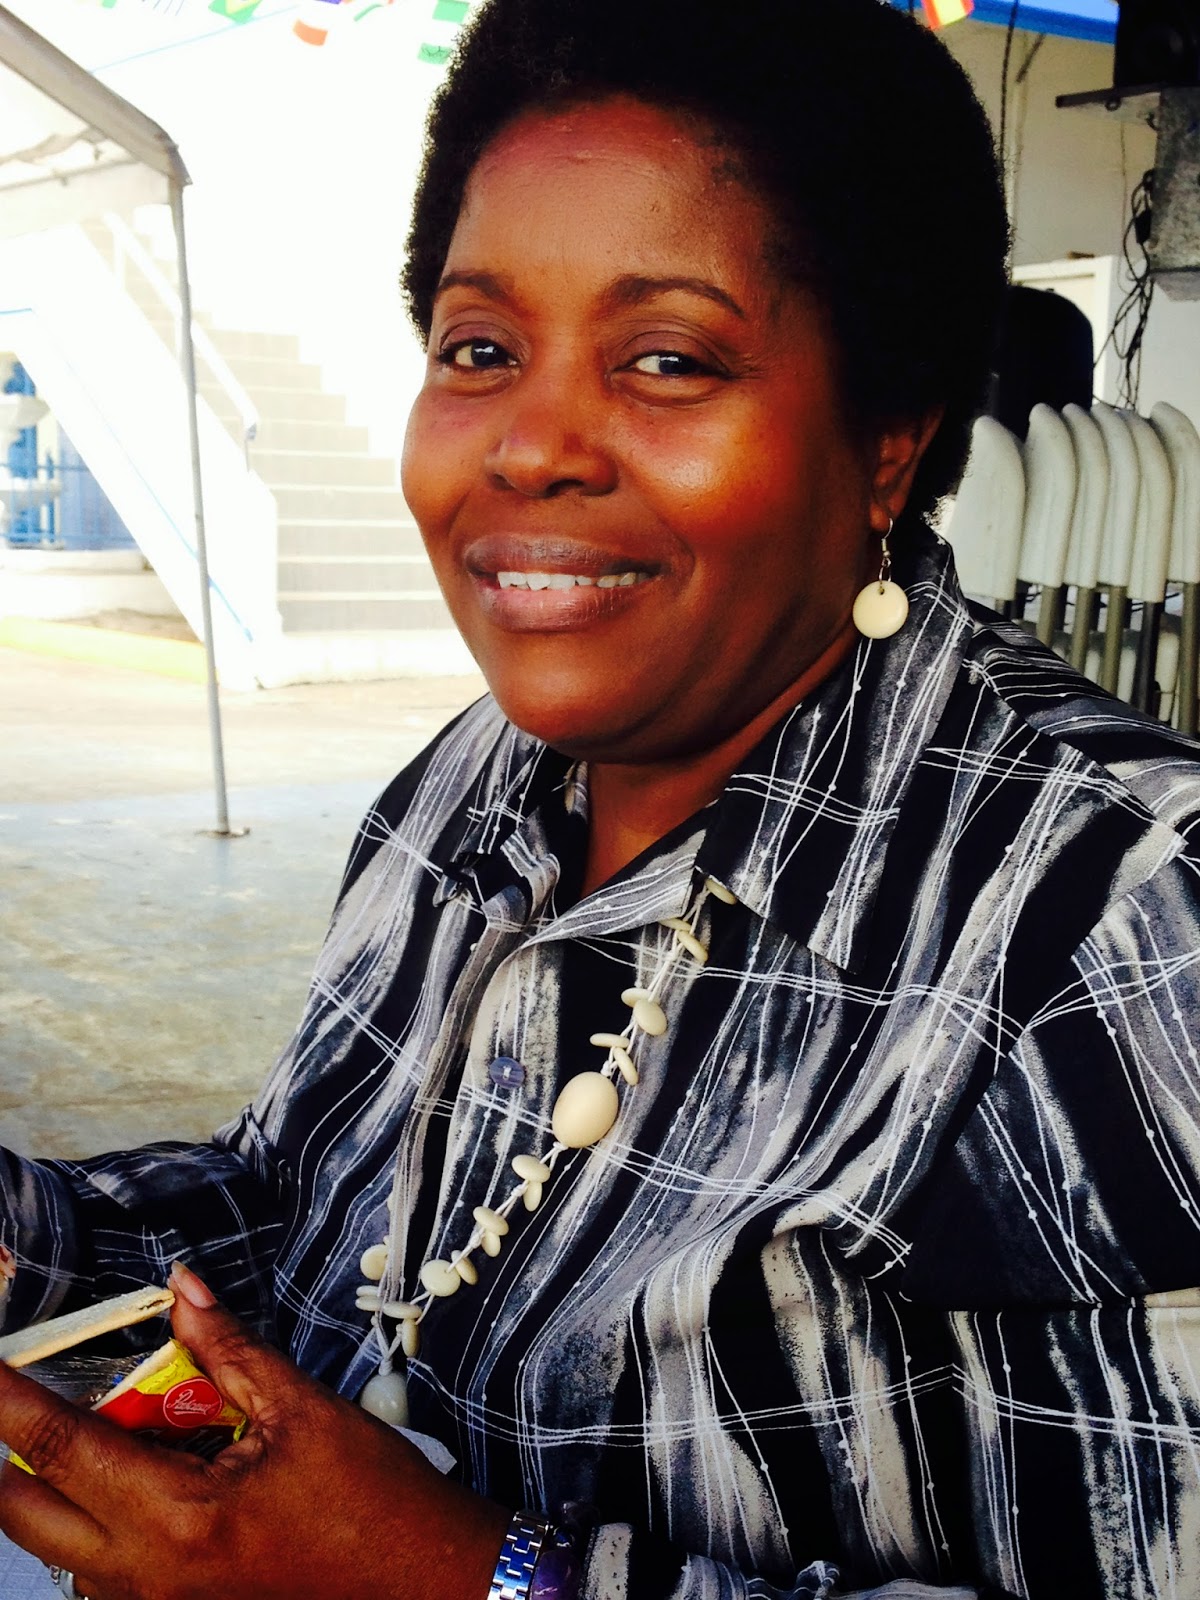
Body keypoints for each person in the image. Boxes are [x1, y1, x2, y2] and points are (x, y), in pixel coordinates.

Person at [2, 0, 1200, 1595]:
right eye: (480, 350)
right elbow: (315, 1220)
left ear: (888, 437)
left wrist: (466, 1578)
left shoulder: (1119, 931)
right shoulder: (470, 786)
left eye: (668, 360)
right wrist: (28, 1243)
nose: (530, 447)